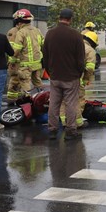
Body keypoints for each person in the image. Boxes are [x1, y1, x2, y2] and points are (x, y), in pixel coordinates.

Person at [42, 8, 86, 140]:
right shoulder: (76, 35)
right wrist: (79, 73)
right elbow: (80, 59)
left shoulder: (50, 34)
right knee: (71, 103)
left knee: (54, 103)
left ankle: (52, 129)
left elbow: (45, 56)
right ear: (70, 19)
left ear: (59, 18)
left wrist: (50, 71)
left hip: (55, 76)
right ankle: (71, 130)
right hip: (71, 77)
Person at [60, 31, 98, 128]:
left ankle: (64, 121)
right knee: (78, 100)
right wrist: (85, 79)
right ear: (92, 42)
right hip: (75, 78)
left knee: (64, 100)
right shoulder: (90, 50)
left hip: (61, 76)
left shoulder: (71, 45)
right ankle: (77, 123)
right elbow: (90, 68)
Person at [7, 9, 44, 102]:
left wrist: (11, 61)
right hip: (37, 64)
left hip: (25, 65)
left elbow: (16, 50)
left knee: (25, 84)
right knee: (38, 83)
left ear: (19, 21)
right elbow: (43, 45)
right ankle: (41, 100)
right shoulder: (37, 31)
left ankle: (28, 103)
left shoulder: (21, 32)